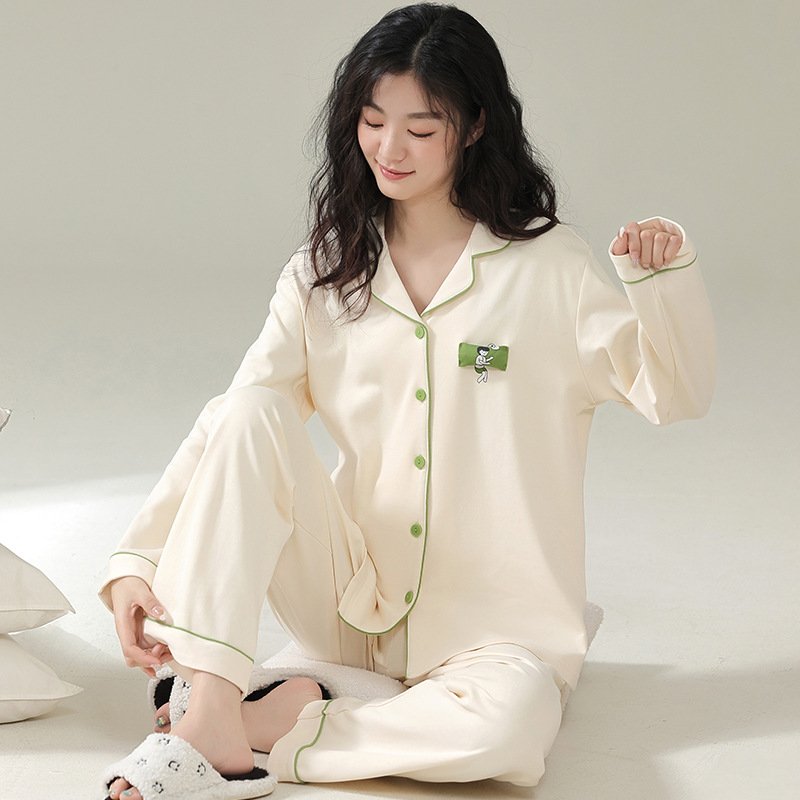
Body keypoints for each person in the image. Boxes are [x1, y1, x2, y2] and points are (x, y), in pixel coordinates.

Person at [99, 4, 715, 798]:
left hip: (493, 634)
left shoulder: (548, 269)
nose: (390, 149)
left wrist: (660, 285)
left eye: (421, 129)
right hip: (349, 606)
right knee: (251, 410)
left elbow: (673, 393)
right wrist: (136, 561)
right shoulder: (326, 271)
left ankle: (279, 718)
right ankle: (215, 709)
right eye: (372, 121)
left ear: (475, 125)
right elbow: (237, 422)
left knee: (505, 736)